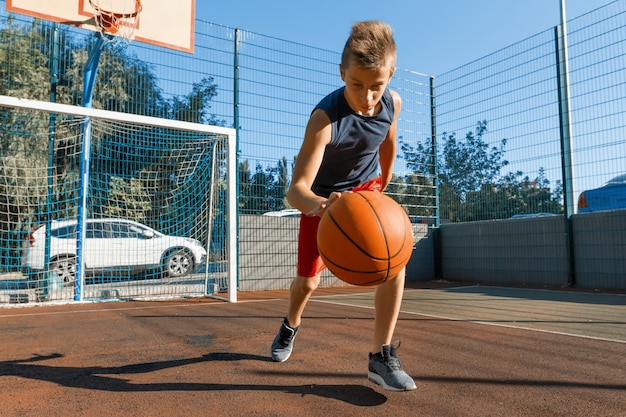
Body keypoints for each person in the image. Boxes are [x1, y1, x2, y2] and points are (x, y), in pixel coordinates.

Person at [270, 20, 416, 392]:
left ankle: (380, 356)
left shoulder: (392, 103)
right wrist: (324, 206)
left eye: (376, 86)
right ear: (341, 73)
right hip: (323, 198)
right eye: (356, 85)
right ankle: (291, 324)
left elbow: (387, 142)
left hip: (366, 191)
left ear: (390, 76)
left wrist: (383, 184)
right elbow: (295, 190)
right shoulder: (325, 119)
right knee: (308, 282)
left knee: (392, 260)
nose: (367, 97)